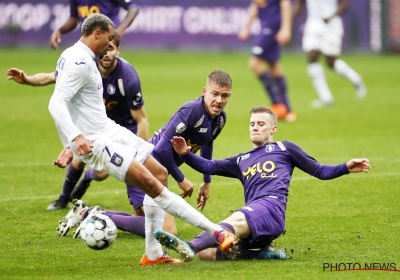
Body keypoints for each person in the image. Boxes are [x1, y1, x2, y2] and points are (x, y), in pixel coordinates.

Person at [47, 13, 236, 266]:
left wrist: (68, 143)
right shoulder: (79, 62)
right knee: (152, 184)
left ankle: (152, 255)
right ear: (97, 33)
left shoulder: (80, 57)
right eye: (110, 38)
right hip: (98, 143)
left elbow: (77, 106)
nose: (112, 44)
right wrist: (73, 138)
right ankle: (217, 231)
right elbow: (57, 102)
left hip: (108, 130)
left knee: (159, 173)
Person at [154, 105, 370, 261]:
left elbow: (320, 171)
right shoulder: (241, 160)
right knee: (207, 254)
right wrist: (185, 154)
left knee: (229, 223)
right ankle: (262, 254)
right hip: (254, 222)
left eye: (260, 124)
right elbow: (209, 167)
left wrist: (345, 167)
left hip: (271, 209)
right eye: (252, 124)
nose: (255, 128)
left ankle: (189, 246)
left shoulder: (285, 149)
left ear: (273, 129)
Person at [67, 70, 232, 239]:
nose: (219, 100)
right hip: (144, 167)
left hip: (156, 171)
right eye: (215, 94)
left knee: (147, 222)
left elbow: (207, 142)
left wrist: (206, 181)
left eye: (225, 96)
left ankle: (92, 213)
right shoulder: (192, 111)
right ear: (205, 91)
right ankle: (91, 215)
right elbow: (161, 150)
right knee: (164, 229)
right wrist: (181, 179)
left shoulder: (220, 120)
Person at [7, 35, 149, 216]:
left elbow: (142, 120)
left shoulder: (127, 78)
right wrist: (27, 79)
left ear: (117, 51)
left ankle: (89, 177)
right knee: (78, 156)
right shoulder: (85, 66)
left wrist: (138, 155)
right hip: (94, 124)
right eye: (106, 49)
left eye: (112, 49)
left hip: (122, 127)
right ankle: (63, 198)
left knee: (102, 173)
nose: (107, 55)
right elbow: (51, 77)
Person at [293, 0, 367, 108]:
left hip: (331, 26)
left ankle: (355, 78)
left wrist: (331, 16)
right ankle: (326, 98)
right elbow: (300, 4)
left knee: (331, 63)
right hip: (313, 25)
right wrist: (288, 20)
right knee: (312, 56)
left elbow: (344, 4)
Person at [238, 0, 296, 122]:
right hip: (265, 25)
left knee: (254, 64)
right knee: (274, 67)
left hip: (273, 26)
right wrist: (247, 26)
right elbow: (255, 5)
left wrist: (286, 28)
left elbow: (285, 4)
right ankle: (288, 110)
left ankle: (277, 105)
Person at [50, 0, 139, 49]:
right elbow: (74, 18)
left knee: (105, 75)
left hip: (107, 41)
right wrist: (59, 30)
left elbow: (133, 9)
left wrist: (122, 28)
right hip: (86, 42)